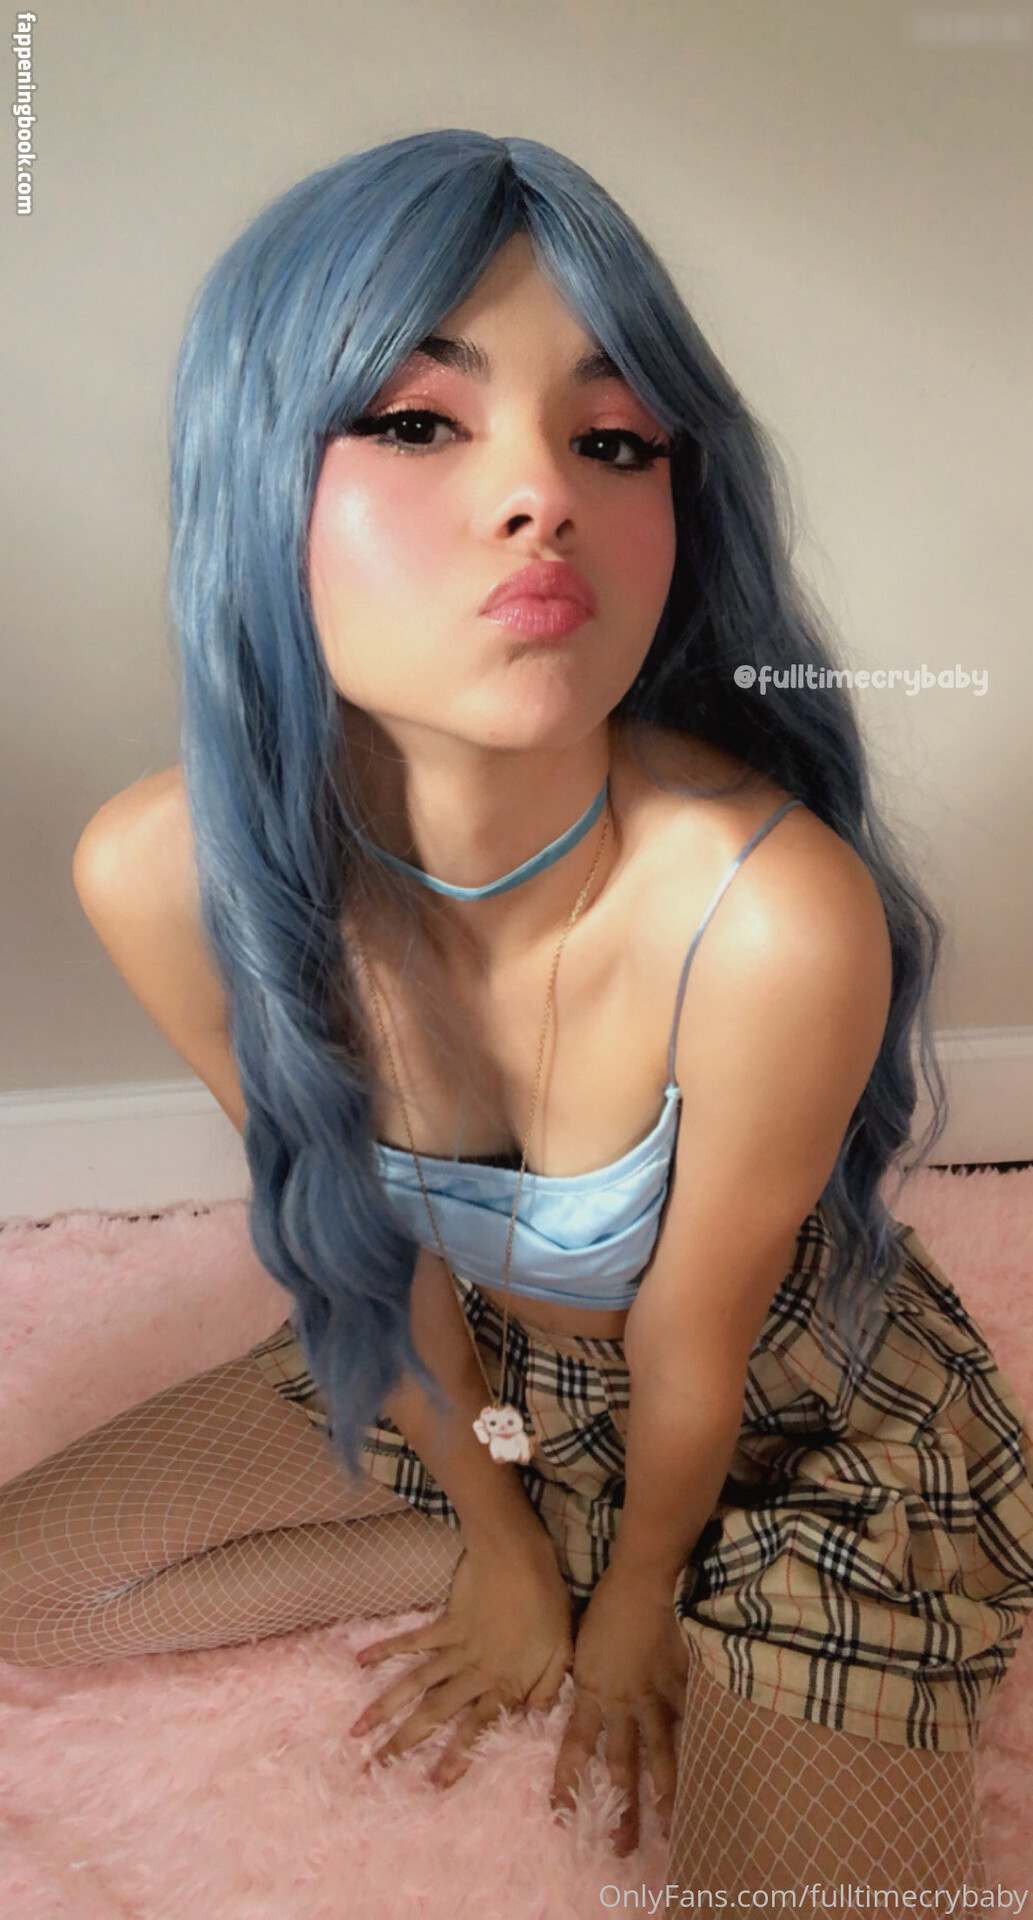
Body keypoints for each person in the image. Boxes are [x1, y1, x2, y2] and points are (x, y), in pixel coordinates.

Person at [2, 128, 1032, 1891]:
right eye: (419, 422)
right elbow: (363, 1254)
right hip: (485, 1382)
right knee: (35, 1591)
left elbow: (696, 1347)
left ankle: (699, 1586)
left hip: (791, 1422)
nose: (540, 493)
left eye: (612, 440)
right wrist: (496, 1535)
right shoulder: (166, 870)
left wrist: (634, 1606)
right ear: (254, 474)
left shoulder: (768, 915)